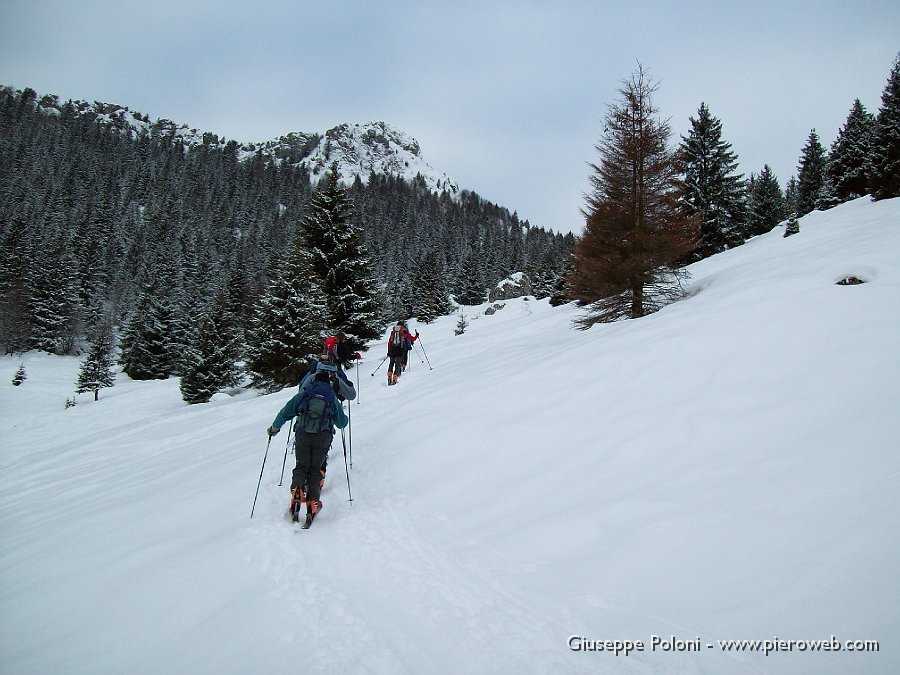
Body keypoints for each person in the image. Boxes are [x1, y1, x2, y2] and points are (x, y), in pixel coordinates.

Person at [267, 356, 350, 522]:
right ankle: (312, 503)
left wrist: (274, 429)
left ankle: (297, 491)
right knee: (315, 468)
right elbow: (342, 423)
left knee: (301, 465)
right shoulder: (331, 398)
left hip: (303, 433)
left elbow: (285, 413)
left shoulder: (304, 394)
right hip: (323, 436)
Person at [386, 321, 418, 385]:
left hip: (392, 350)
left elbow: (389, 342)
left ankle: (389, 375)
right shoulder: (404, 332)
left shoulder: (393, 332)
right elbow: (412, 339)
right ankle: (395, 378)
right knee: (398, 364)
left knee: (391, 363)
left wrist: (389, 351)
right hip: (400, 350)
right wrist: (417, 335)